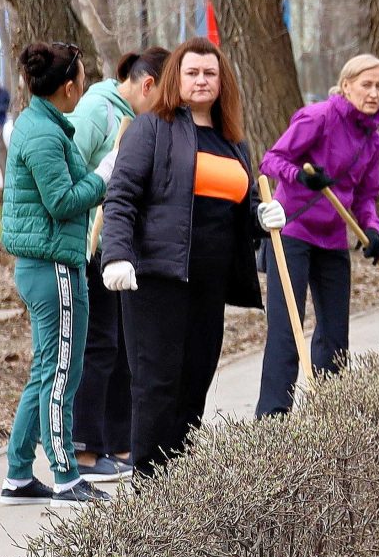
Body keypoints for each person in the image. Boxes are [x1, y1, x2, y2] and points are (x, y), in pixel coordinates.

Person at [100, 41, 283, 475]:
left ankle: (179, 488)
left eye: (210, 74)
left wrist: (261, 214)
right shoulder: (152, 128)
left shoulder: (231, 140)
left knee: (194, 383)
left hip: (209, 283)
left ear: (222, 84)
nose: (201, 81)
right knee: (157, 384)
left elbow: (240, 205)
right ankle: (149, 492)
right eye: (192, 73)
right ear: (175, 80)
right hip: (156, 280)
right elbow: (121, 196)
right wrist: (117, 255)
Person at [0, 41, 116, 505]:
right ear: (69, 87)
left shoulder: (39, 124)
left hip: (45, 265)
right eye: (82, 78)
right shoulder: (45, 135)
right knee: (63, 369)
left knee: (46, 367)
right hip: (54, 267)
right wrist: (105, 174)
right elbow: (63, 201)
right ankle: (66, 473)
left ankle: (18, 474)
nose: (84, 85)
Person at [256, 54, 379, 419]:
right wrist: (302, 177)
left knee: (334, 336)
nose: (374, 93)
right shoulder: (318, 117)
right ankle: (272, 422)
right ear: (346, 86)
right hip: (293, 230)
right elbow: (271, 161)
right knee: (287, 332)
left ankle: (329, 422)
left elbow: (365, 197)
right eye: (366, 84)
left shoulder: (372, 140)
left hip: (332, 238)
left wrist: (371, 231)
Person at [70, 47, 166, 479]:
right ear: (147, 85)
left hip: (124, 246)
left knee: (124, 348)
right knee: (99, 346)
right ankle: (86, 449)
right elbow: (68, 170)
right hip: (93, 246)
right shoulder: (95, 109)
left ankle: (119, 443)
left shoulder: (145, 118)